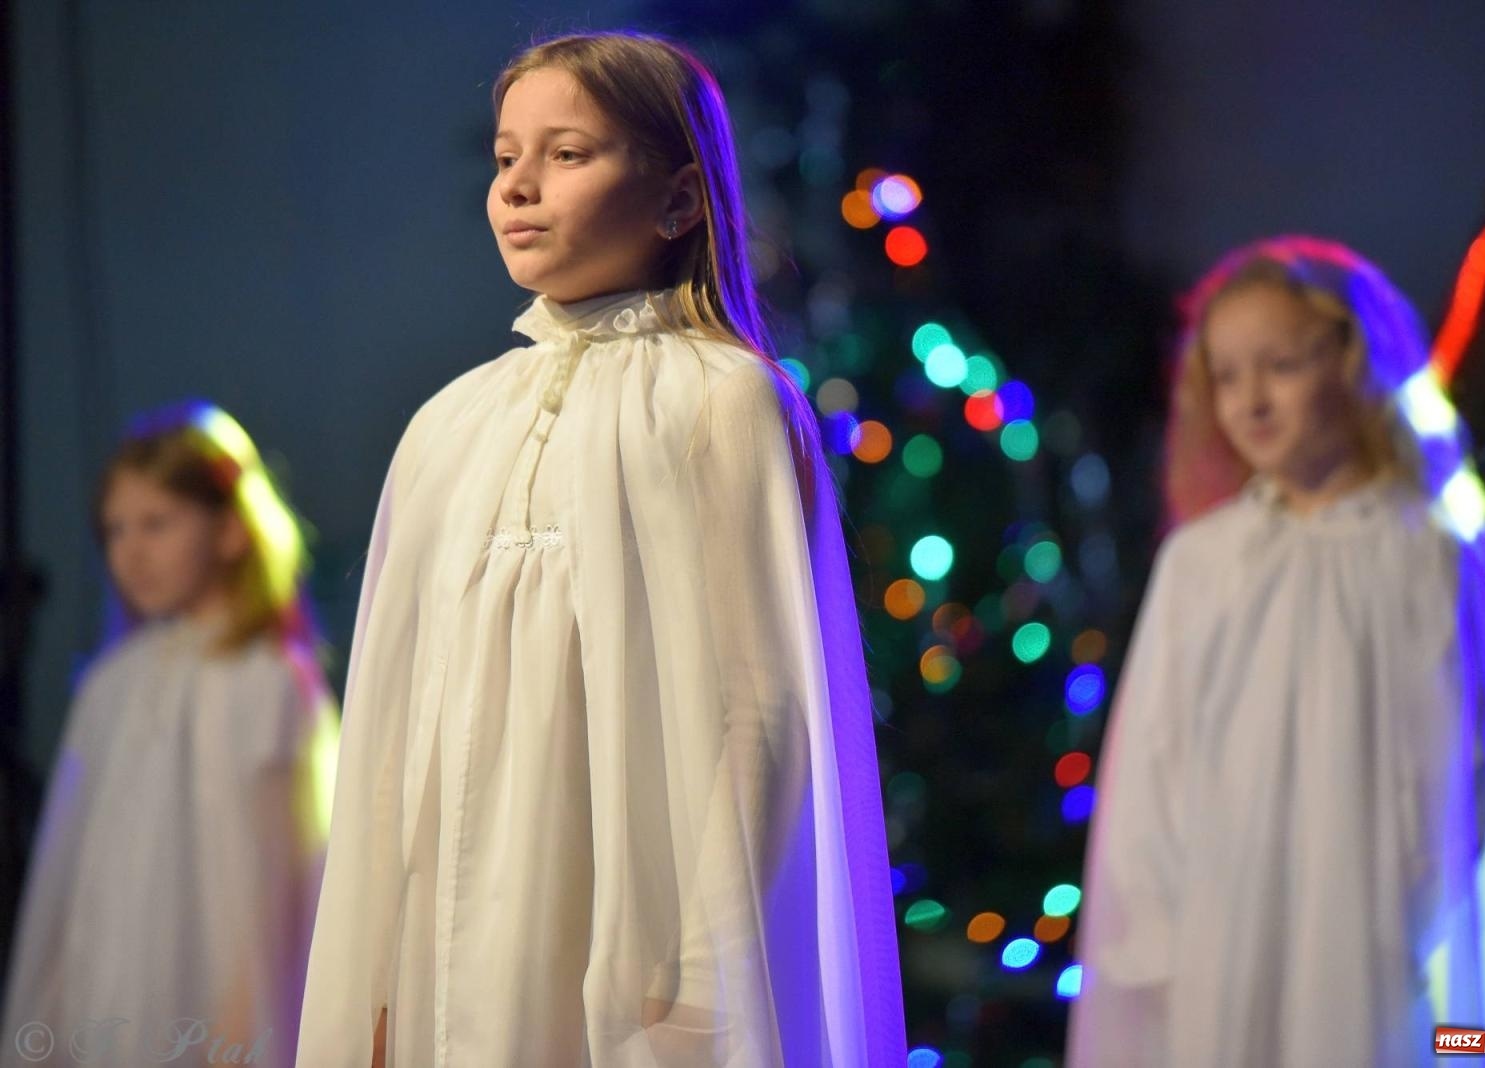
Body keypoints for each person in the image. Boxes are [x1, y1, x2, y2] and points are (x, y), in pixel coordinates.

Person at [295, 31, 904, 1068]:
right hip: (456, 938)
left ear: (676, 200)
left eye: (567, 154)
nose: (520, 186)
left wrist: (708, 967)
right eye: (504, 158)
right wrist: (374, 977)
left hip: (635, 949)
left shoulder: (722, 400)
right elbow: (395, 727)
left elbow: (758, 706)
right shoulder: (447, 423)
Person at [1067, 237, 1485, 1066]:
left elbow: (1461, 770)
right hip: (1223, 944)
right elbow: (1150, 768)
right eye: (1225, 375)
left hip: (1370, 945)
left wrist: (1409, 921)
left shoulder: (1427, 555)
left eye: (1281, 364)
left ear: (1354, 362)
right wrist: (1159, 940)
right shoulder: (1202, 564)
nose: (1251, 401)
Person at [2, 402, 335, 1068]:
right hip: (111, 1007)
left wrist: (246, 1039)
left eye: (157, 523)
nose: (131, 551)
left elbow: (275, 894)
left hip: (220, 1014)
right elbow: (68, 882)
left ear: (232, 531)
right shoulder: (110, 686)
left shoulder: (269, 682)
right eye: (115, 529)